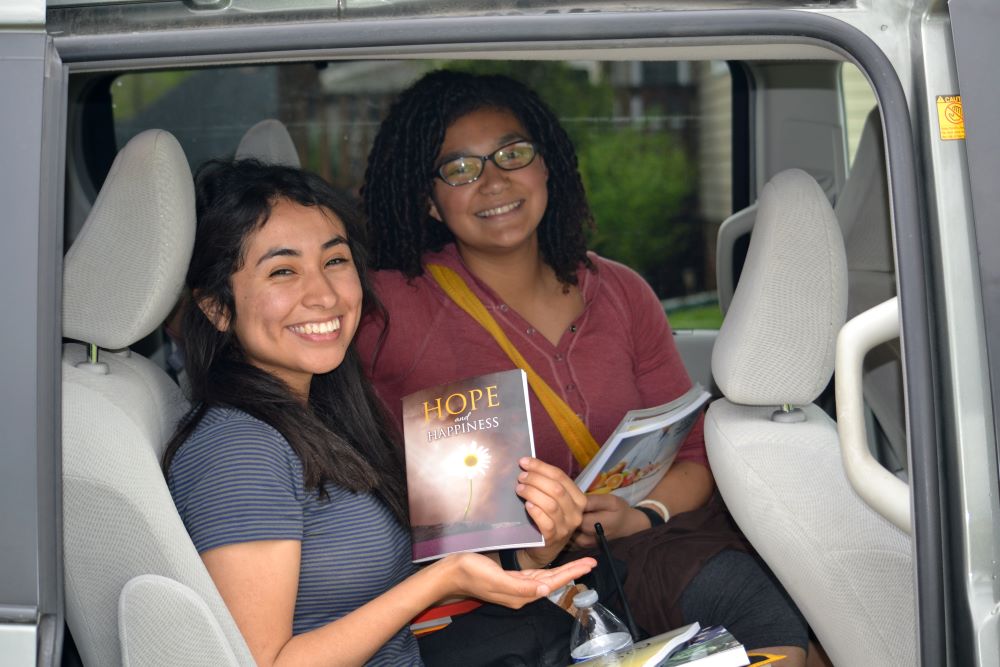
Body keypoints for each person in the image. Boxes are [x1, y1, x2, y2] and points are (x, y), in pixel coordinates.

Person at [356, 69, 812, 665]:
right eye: (461, 169)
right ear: (430, 203)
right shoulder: (389, 306)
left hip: (632, 558)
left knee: (761, 606)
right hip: (490, 588)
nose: (493, 181)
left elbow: (697, 452)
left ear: (546, 166)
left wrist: (639, 514)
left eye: (512, 154)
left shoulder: (620, 291)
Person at [162, 159, 596, 667]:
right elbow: (265, 663)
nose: (324, 295)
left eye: (336, 261)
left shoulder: (322, 410)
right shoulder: (239, 449)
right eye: (283, 271)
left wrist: (530, 554)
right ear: (217, 307)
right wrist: (444, 576)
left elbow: (372, 595)